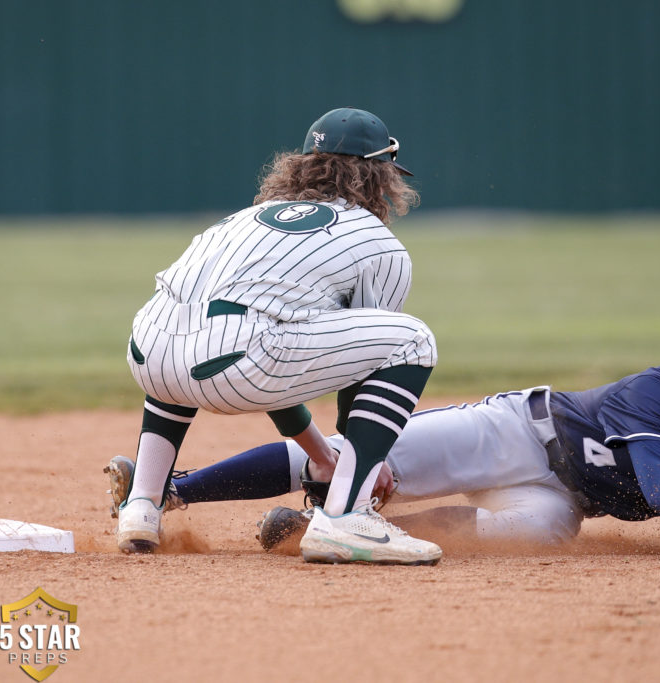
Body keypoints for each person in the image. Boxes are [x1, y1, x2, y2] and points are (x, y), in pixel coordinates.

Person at [106, 364, 660, 557]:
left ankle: (323, 529)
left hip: (562, 493)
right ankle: (172, 488)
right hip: (522, 431)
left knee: (531, 531)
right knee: (355, 456)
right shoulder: (659, 399)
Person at [116, 107, 442, 566]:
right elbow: (362, 369)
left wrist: (321, 452)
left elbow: (266, 349)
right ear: (380, 175)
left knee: (193, 334)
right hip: (240, 360)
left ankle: (142, 506)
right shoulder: (377, 241)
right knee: (413, 339)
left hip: (147, 352)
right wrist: (355, 457)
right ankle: (347, 516)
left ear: (302, 165)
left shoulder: (243, 219)